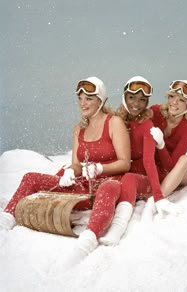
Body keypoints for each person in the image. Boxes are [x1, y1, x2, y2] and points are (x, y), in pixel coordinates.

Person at [0, 77, 131, 263]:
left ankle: (88, 240)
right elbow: (76, 164)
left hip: (108, 184)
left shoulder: (114, 122)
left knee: (108, 188)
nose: (83, 103)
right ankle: (6, 219)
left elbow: (125, 163)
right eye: (80, 98)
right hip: (82, 188)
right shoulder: (79, 129)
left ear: (101, 101)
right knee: (30, 178)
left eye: (89, 98)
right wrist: (70, 172)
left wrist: (100, 168)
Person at [99, 76, 179, 246]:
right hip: (127, 171)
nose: (137, 103)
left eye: (143, 100)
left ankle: (117, 229)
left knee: (127, 179)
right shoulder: (116, 120)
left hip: (148, 175)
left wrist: (158, 196)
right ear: (124, 97)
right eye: (132, 97)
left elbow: (149, 161)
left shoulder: (147, 125)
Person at [150, 79, 187, 197]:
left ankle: (157, 199)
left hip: (174, 171)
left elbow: (171, 166)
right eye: (172, 96)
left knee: (185, 160)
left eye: (181, 100)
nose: (174, 102)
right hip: (154, 166)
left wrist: (161, 145)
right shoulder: (156, 111)